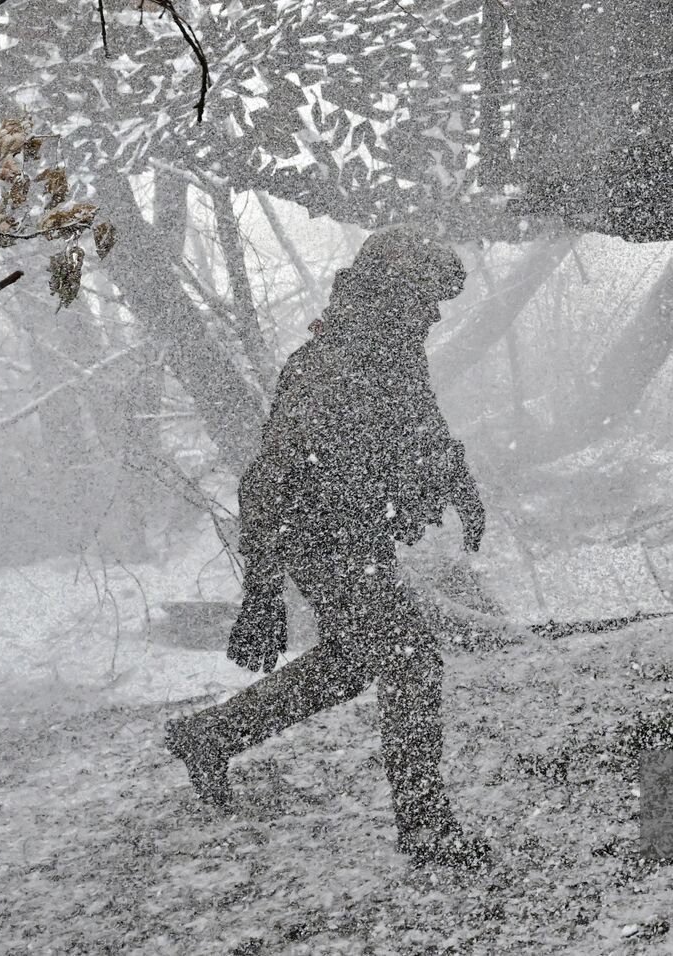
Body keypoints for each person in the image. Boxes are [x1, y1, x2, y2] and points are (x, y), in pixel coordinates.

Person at [165, 227, 487, 866]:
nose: (433, 316)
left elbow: (422, 425)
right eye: (426, 301)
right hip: (319, 539)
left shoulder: (392, 354)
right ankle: (424, 827)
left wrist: (459, 482)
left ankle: (209, 736)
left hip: (360, 534)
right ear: (392, 295)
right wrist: (261, 594)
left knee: (353, 660)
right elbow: (266, 483)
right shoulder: (327, 368)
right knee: (410, 660)